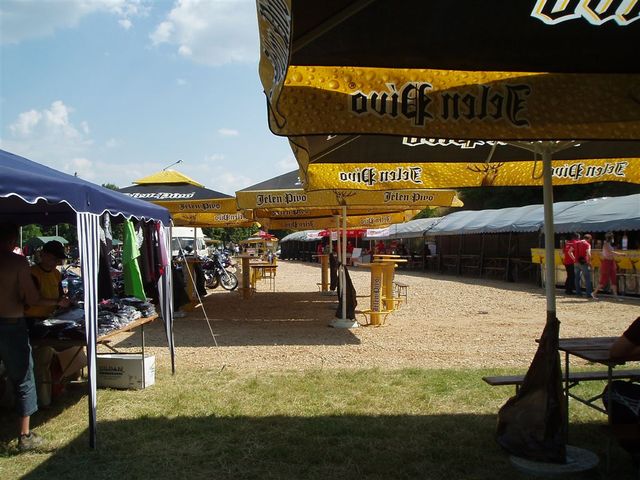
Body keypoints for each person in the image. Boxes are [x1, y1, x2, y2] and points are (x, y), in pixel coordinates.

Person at [0, 224, 69, 451]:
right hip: (12, 323)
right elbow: (31, 299)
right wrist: (55, 302)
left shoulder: (48, 271)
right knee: (24, 377)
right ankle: (25, 436)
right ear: (12, 241)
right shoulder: (18, 263)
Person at [25, 241, 79, 408]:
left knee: (69, 343)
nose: (57, 262)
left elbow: (59, 296)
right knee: (42, 359)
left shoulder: (56, 274)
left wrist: (66, 303)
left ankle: (62, 385)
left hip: (50, 319)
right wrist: (56, 302)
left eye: (58, 259)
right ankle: (44, 399)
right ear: (44, 255)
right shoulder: (32, 273)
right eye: (54, 258)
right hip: (32, 321)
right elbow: (32, 300)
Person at [592, 232, 627, 300]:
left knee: (613, 279)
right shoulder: (606, 244)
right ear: (611, 238)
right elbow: (611, 252)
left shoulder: (608, 245)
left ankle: (616, 296)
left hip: (610, 262)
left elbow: (610, 253)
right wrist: (621, 254)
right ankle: (594, 293)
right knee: (603, 280)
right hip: (607, 263)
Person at [570, 232, 592, 298]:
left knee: (577, 278)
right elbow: (588, 254)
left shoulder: (576, 243)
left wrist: (574, 259)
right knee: (587, 278)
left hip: (576, 263)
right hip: (584, 263)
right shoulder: (587, 244)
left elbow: (569, 252)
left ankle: (578, 293)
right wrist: (589, 262)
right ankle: (588, 294)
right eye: (590, 240)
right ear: (589, 239)